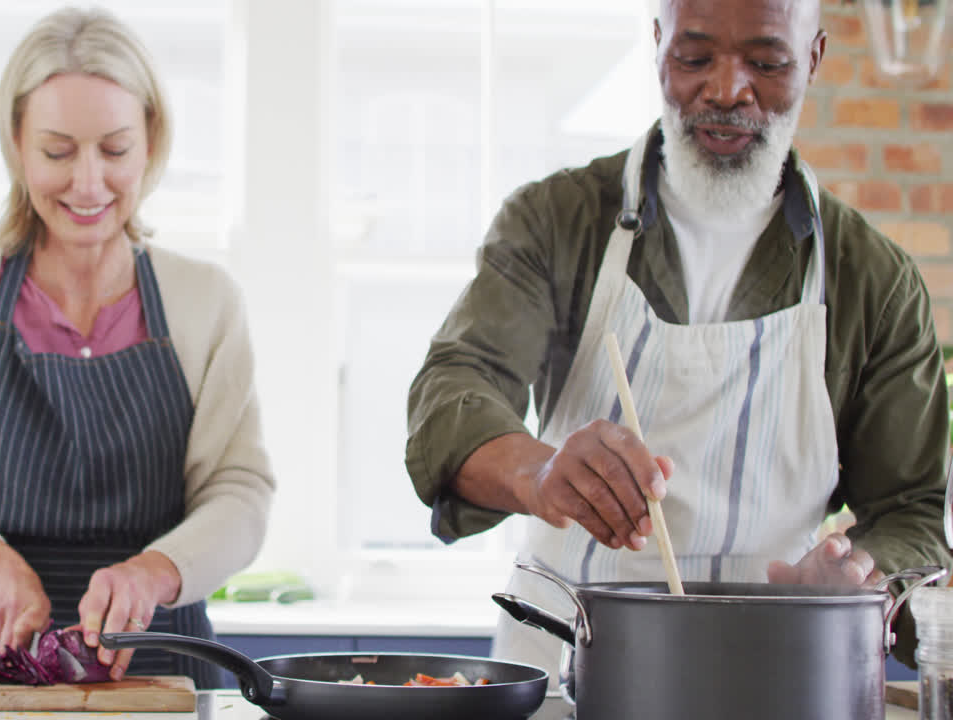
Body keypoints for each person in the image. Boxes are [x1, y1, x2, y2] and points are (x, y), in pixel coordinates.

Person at [406, 0, 950, 675]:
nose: (726, 90)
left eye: (766, 62)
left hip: (775, 676)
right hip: (568, 665)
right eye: (695, 58)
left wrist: (861, 578)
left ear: (812, 59)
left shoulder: (873, 278)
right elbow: (456, 386)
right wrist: (539, 472)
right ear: (658, 44)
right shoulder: (557, 221)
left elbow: (913, 512)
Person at [0, 6, 273, 689]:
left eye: (114, 150)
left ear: (151, 142)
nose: (88, 183)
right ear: (16, 144)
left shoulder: (205, 299)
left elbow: (240, 490)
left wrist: (155, 571)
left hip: (157, 667)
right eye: (57, 151)